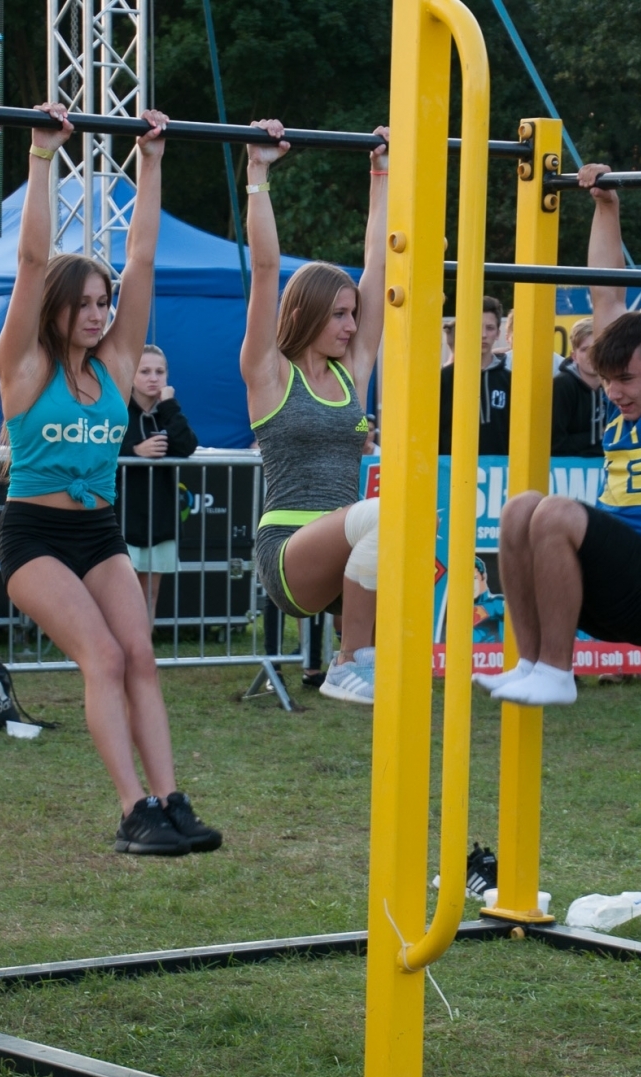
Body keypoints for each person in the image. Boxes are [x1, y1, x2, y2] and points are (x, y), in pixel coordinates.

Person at [0, 104, 220, 858]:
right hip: (34, 536)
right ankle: (131, 810)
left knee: (141, 657)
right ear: (57, 309)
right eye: (84, 304)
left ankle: (170, 798)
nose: (97, 314)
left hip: (98, 530)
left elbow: (143, 263)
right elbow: (30, 263)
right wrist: (40, 156)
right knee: (104, 658)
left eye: (102, 303)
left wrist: (151, 160)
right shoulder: (25, 368)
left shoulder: (118, 368)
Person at [471, 159, 641, 708]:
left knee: (558, 512)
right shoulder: (621, 401)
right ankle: (531, 662)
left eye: (627, 380)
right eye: (609, 380)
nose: (614, 392)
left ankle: (559, 673)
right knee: (520, 509)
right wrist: (604, 205)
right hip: (610, 585)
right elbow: (605, 299)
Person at [240, 119, 388, 705]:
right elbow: (266, 272)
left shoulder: (351, 374)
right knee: (383, 514)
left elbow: (377, 265)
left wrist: (382, 173)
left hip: (344, 547)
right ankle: (349, 661)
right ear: (306, 315)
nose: (351, 326)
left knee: (408, 521)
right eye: (338, 316)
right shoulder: (271, 372)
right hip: (288, 553)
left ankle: (370, 653)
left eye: (354, 314)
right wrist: (258, 173)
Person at [117, 344, 198, 621]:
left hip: (160, 518)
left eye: (160, 372)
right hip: (121, 519)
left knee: (149, 594)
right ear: (130, 374)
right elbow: (99, 450)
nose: (154, 378)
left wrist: (168, 406)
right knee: (121, 595)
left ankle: (143, 659)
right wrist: (135, 451)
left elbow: (186, 445)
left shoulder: (168, 411)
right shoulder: (117, 410)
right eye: (145, 371)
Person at [440, 296, 513, 456]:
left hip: (498, 473)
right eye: (477, 327)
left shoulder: (510, 381)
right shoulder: (444, 379)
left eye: (490, 328)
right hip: (450, 472)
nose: (483, 334)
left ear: (498, 334)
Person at [551, 317, 612, 458]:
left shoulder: (615, 386)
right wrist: (600, 434)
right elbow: (556, 444)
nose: (592, 355)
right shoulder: (562, 386)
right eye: (585, 349)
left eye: (597, 348)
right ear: (574, 356)